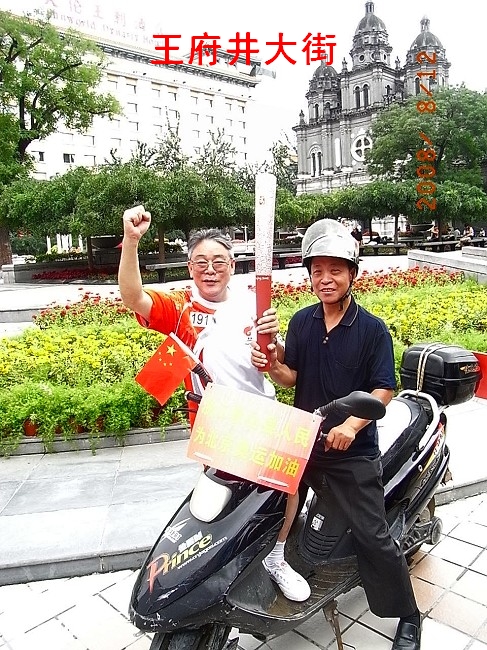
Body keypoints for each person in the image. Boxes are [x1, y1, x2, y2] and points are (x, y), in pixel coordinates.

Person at [118, 205, 311, 603]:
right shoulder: (180, 308)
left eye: (219, 261)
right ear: (190, 267)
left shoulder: (253, 305)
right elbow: (133, 297)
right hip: (216, 423)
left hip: (262, 414)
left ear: (232, 266)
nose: (210, 269)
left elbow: (277, 359)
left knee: (286, 488)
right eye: (201, 262)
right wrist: (132, 241)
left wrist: (272, 347)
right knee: (226, 497)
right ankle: (229, 564)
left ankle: (276, 556)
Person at [252, 219, 422, 650]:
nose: (325, 279)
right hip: (305, 441)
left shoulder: (372, 330)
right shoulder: (302, 322)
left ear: (352, 274)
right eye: (317, 271)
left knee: (373, 535)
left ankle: (408, 615)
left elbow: (383, 389)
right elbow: (291, 376)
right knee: (264, 503)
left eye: (335, 270)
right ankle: (278, 566)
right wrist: (271, 365)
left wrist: (350, 425)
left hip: (351, 452)